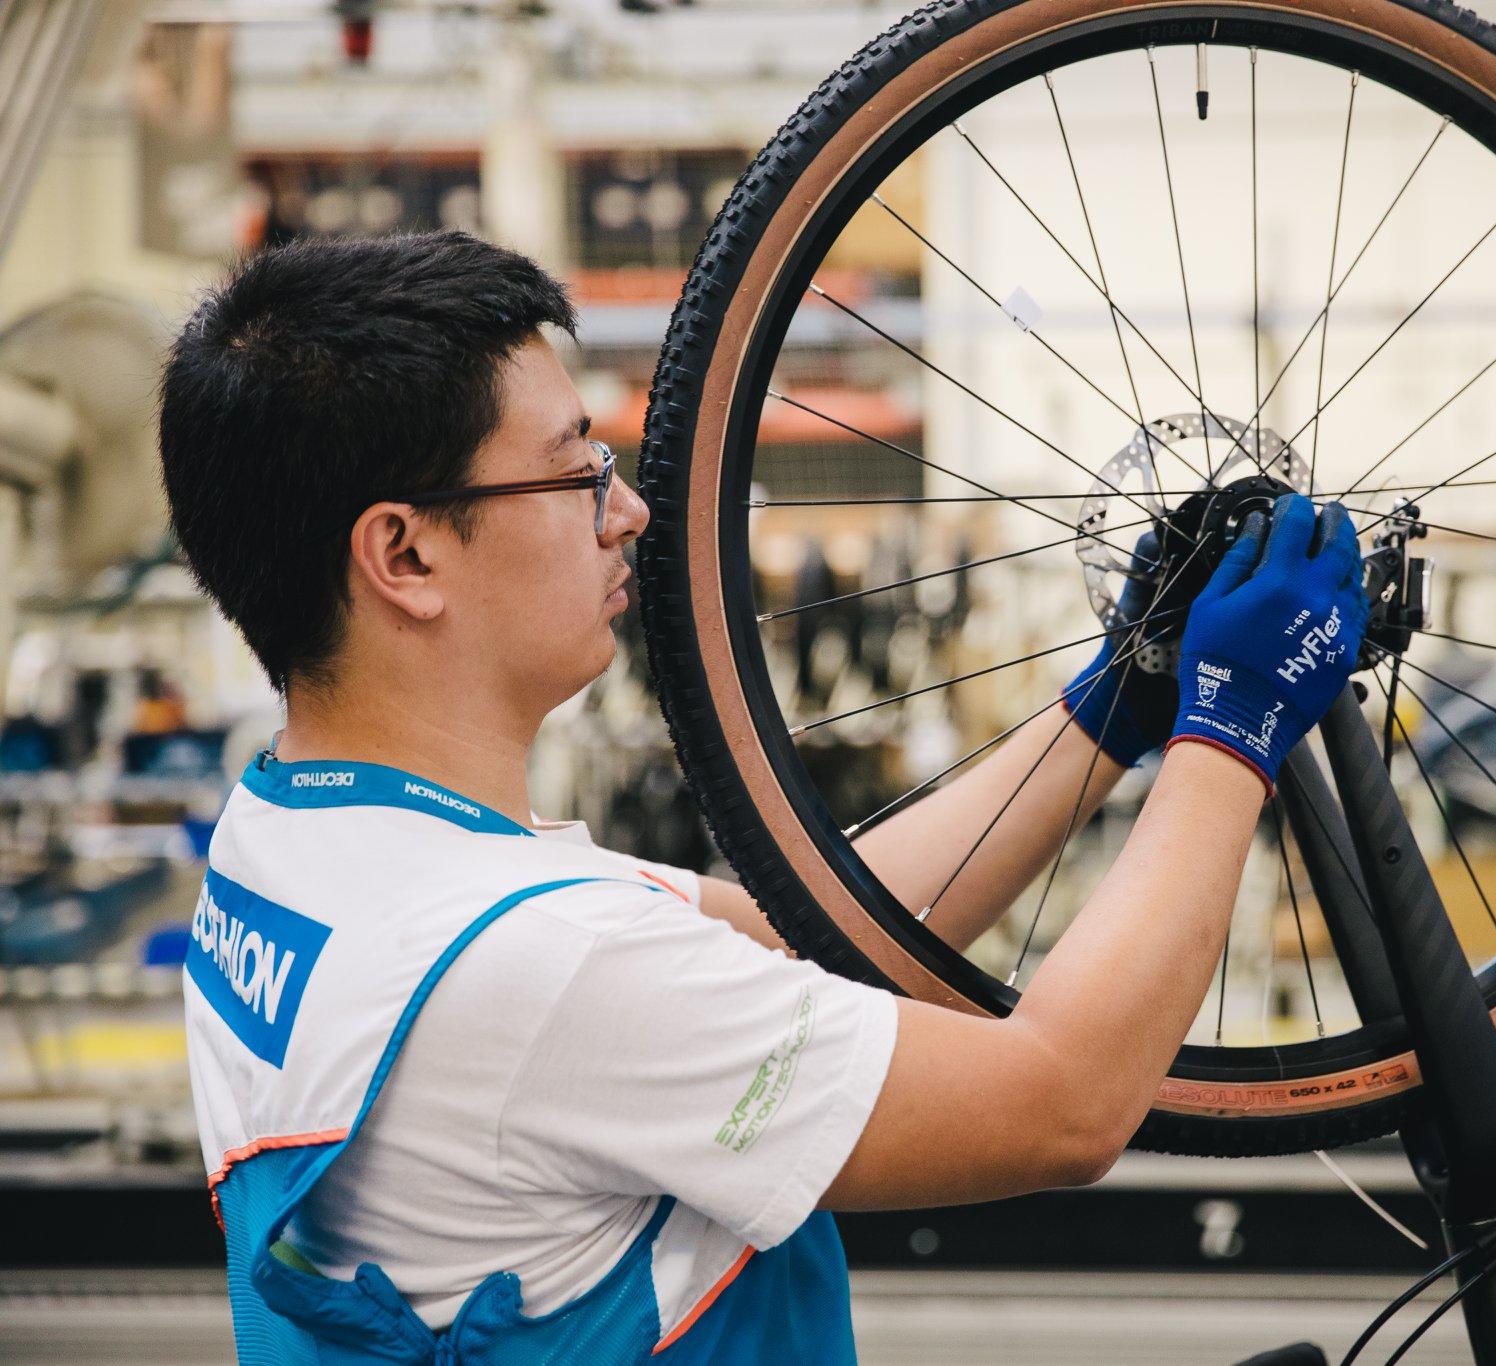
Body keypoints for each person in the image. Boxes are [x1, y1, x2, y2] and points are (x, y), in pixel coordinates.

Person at [159, 230, 1366, 1362]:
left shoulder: (302, 845)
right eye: (572, 469)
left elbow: (816, 933)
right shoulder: (538, 966)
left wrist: (1120, 704)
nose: (623, 508)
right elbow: (1060, 1104)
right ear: (405, 554)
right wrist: (1236, 726)